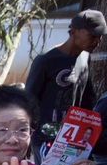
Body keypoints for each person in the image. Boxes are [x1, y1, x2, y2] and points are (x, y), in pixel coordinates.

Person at [26, 9, 105, 148]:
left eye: (100, 37)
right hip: (44, 138)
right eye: (93, 36)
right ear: (74, 31)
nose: (97, 41)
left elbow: (87, 99)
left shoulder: (84, 58)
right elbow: (28, 100)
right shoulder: (46, 60)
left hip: (72, 137)